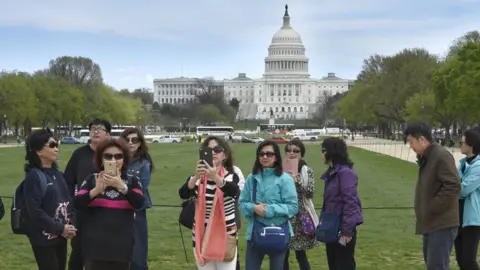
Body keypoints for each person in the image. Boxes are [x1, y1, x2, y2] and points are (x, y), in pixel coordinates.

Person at [74, 139, 145, 270]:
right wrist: (95, 191)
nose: (113, 160)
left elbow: (139, 202)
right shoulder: (91, 179)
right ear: (101, 159)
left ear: (124, 159)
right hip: (95, 247)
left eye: (118, 156)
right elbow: (77, 203)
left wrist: (122, 187)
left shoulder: (132, 181)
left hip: (121, 247)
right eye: (108, 156)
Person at [404, 121, 461, 270]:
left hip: (442, 223)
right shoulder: (427, 157)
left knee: (437, 266)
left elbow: (453, 185)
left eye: (411, 142)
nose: (410, 146)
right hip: (431, 223)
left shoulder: (441, 155)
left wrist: (432, 207)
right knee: (433, 265)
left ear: (422, 140)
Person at [178, 136, 240, 270]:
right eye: (208, 150)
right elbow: (183, 194)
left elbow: (234, 191)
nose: (212, 153)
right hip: (201, 236)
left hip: (224, 236)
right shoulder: (197, 178)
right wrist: (195, 177)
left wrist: (215, 177)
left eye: (217, 150)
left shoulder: (231, 176)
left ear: (225, 155)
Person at [239, 140, 298, 270]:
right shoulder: (252, 178)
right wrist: (254, 208)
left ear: (276, 157)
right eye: (261, 154)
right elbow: (242, 204)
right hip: (255, 232)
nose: (265, 157)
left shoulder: (285, 179)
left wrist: (269, 210)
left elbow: (293, 207)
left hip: (279, 232)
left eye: (269, 154)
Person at [23, 129, 77, 270]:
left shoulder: (58, 174)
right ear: (39, 151)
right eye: (52, 145)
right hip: (43, 239)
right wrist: (60, 228)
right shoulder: (34, 177)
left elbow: (68, 202)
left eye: (57, 144)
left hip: (60, 237)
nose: (56, 148)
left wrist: (70, 225)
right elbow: (34, 212)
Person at [64, 119, 111, 270]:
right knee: (79, 251)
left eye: (100, 129)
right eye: (93, 129)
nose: (95, 131)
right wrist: (70, 205)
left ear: (108, 134)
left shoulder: (112, 154)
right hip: (82, 209)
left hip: (107, 209)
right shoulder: (79, 154)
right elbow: (68, 181)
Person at [320, 137, 363, 270]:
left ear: (332, 152)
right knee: (333, 264)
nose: (321, 154)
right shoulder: (332, 173)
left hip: (342, 228)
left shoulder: (345, 173)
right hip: (331, 226)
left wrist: (347, 231)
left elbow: (350, 203)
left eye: (323, 150)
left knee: (344, 265)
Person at [121, 127, 154, 270]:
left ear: (140, 143)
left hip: (136, 209)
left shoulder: (143, 163)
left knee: (138, 252)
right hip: (117, 209)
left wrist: (122, 187)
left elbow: (141, 186)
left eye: (134, 140)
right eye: (127, 140)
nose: (130, 143)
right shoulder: (116, 158)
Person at [283, 139, 318, 270]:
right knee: (283, 252)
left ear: (301, 153)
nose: (292, 153)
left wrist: (296, 180)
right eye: (289, 150)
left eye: (296, 150)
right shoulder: (281, 168)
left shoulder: (306, 170)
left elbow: (309, 193)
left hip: (299, 216)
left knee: (300, 253)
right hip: (284, 214)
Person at [455, 128, 480, 270]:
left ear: (471, 144)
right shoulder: (463, 163)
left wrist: (455, 185)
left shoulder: (478, 165)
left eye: (462, 142)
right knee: (460, 260)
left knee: (468, 261)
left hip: (472, 220)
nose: (460, 144)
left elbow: (462, 190)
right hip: (458, 217)